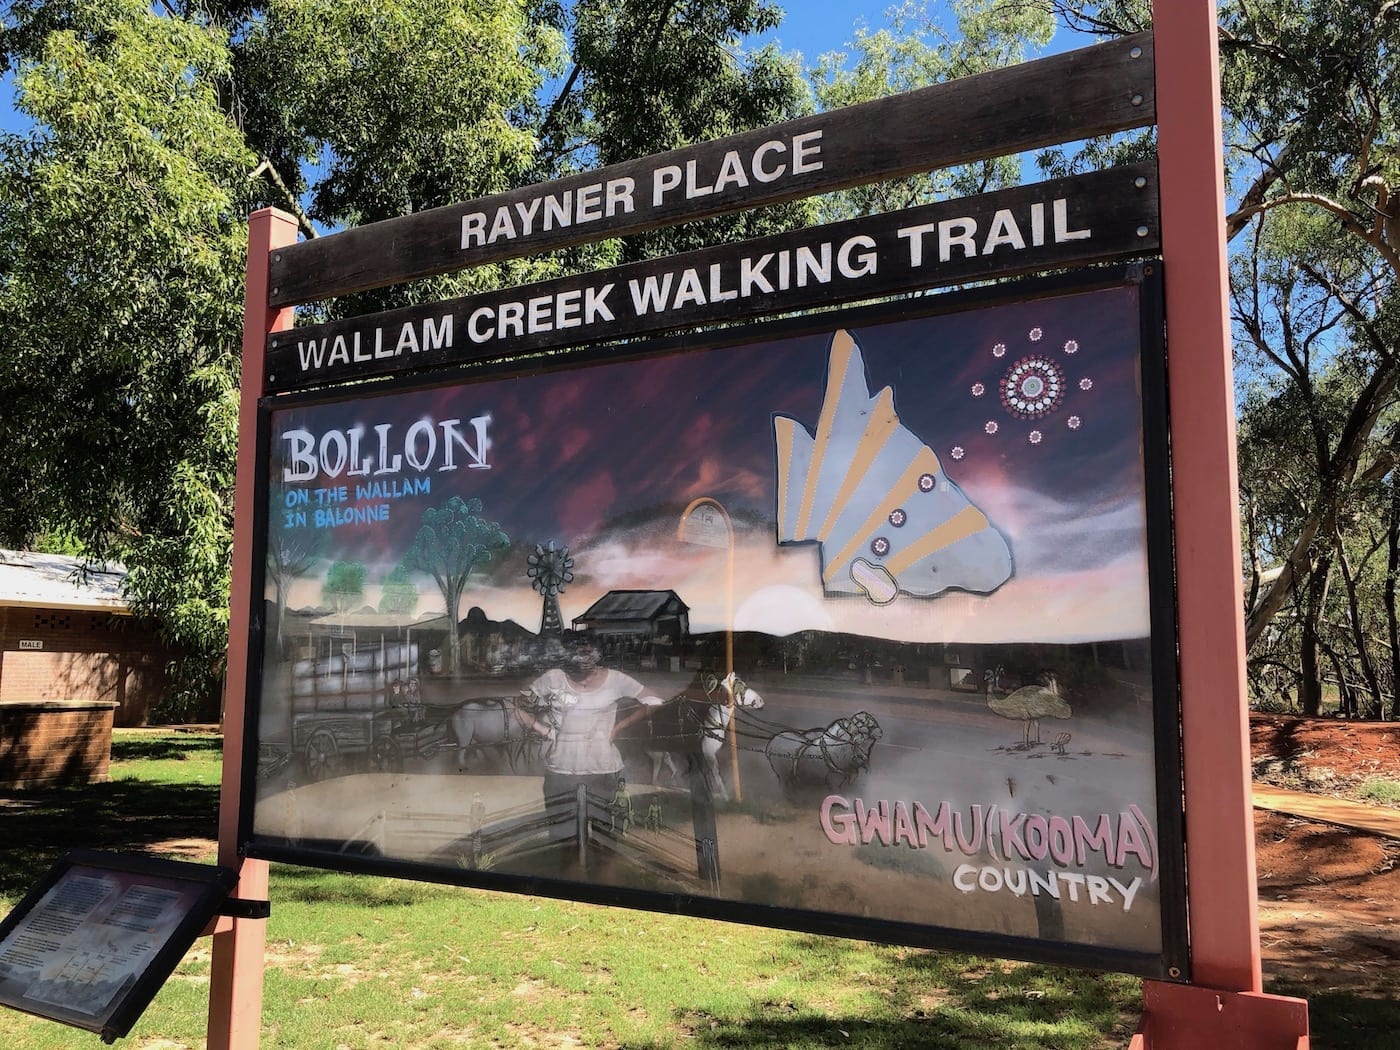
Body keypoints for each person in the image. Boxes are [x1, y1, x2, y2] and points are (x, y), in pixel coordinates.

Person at [514, 642, 667, 849]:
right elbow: (520, 704)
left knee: (605, 842)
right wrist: (543, 730)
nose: (583, 659)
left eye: (588, 653)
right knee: (563, 842)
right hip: (561, 772)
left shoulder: (616, 679)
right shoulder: (553, 678)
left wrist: (619, 727)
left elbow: (655, 700)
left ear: (597, 654)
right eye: (577, 653)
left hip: (603, 771)